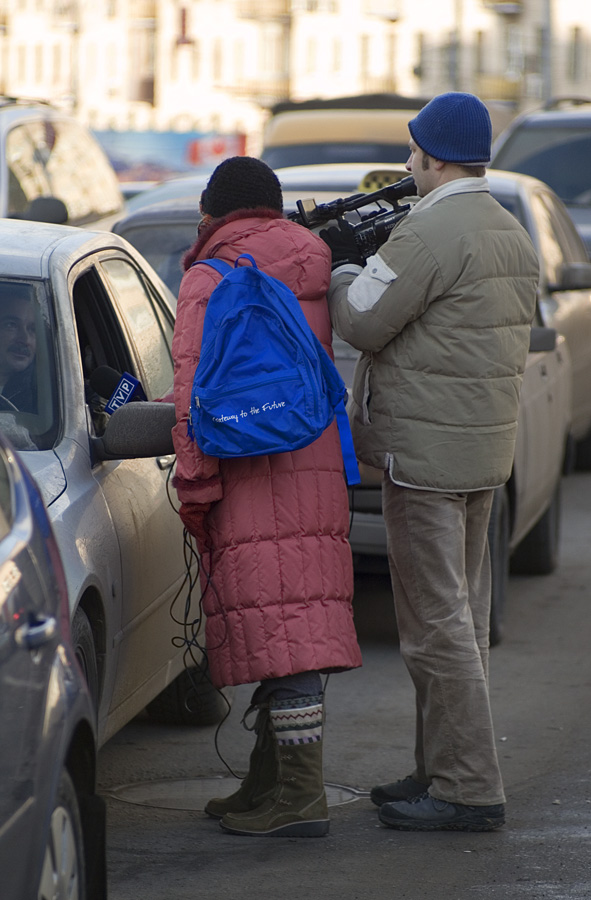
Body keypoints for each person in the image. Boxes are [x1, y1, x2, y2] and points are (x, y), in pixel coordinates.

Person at [321, 92, 539, 832]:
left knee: (434, 626)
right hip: (481, 455)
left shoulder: (431, 231)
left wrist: (345, 271)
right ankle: (438, 768)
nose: (408, 162)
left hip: (424, 459)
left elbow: (361, 320)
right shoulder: (508, 229)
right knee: (462, 621)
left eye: (414, 150)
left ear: (435, 156)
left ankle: (470, 787)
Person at [171, 156, 362, 838]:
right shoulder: (311, 260)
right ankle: (270, 780)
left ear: (212, 211)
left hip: (247, 470)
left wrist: (193, 485)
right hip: (310, 462)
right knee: (289, 623)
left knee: (281, 628)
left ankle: (302, 798)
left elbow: (192, 395)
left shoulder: (208, 276)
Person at [0, 286, 37, 413]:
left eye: (32, 329)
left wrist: (99, 405)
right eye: (12, 325)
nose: (25, 339)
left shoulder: (50, 392)